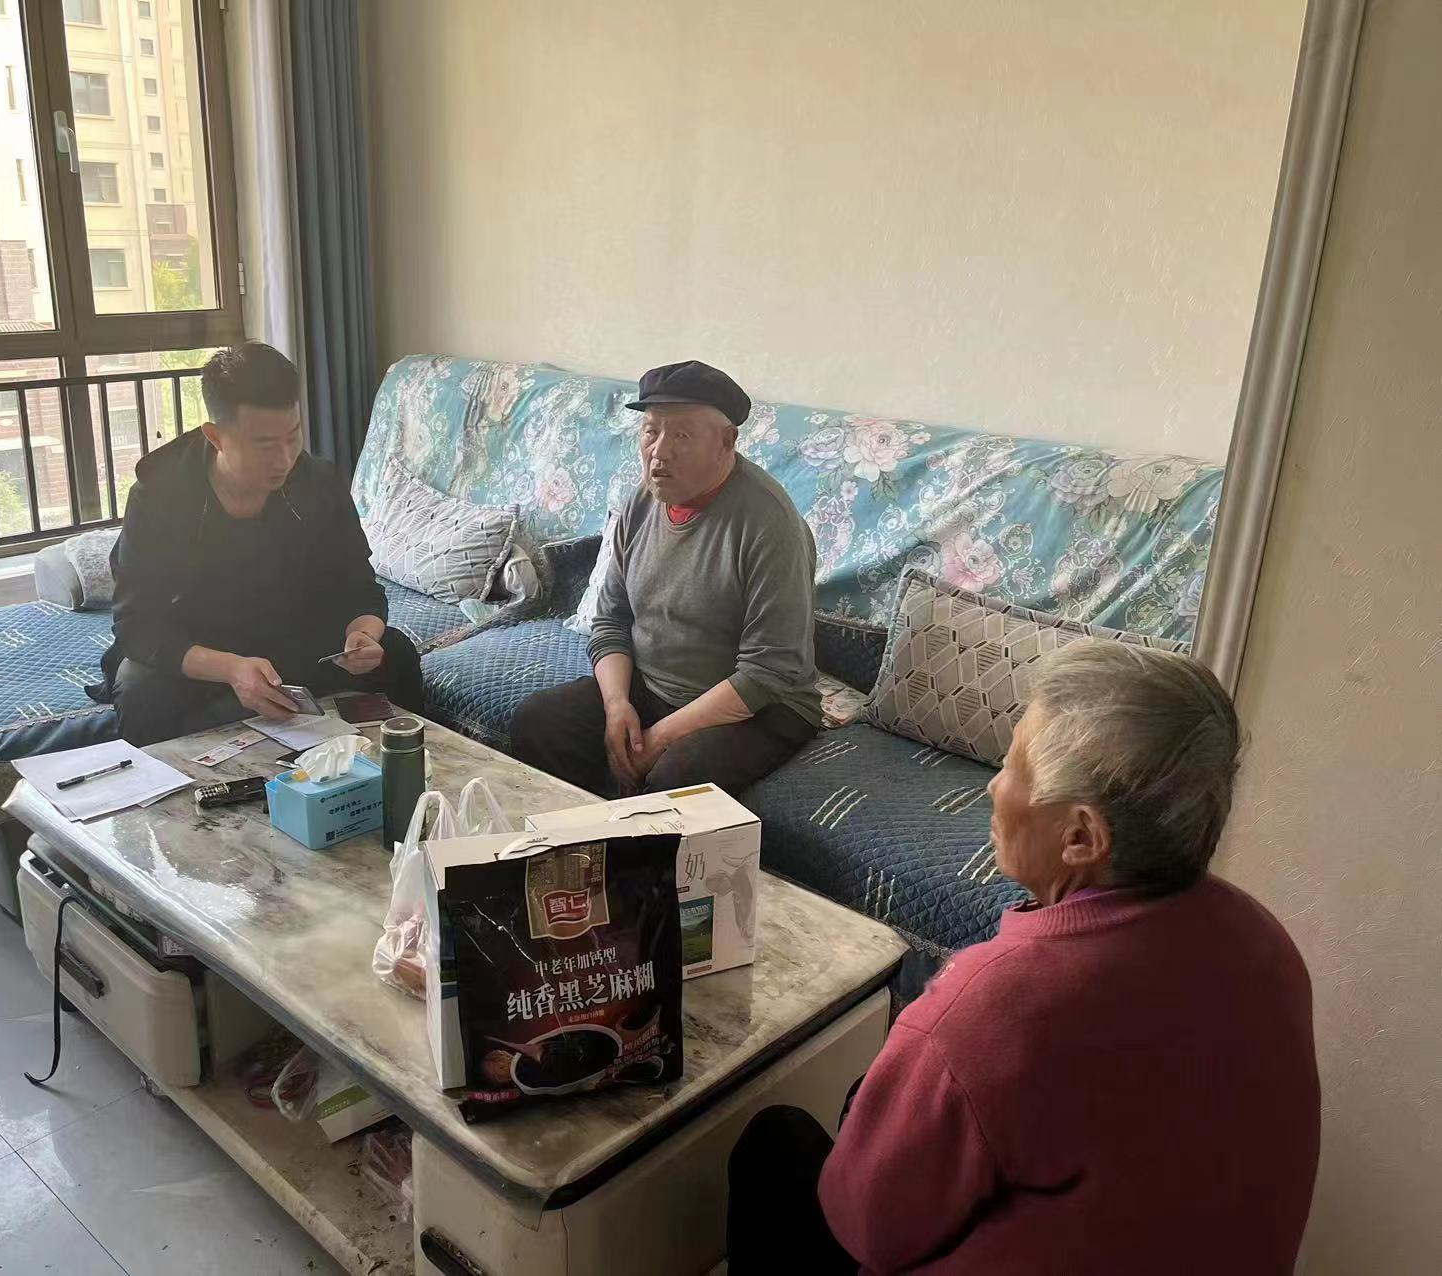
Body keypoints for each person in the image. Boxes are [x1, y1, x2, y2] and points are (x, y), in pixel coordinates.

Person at [726, 640, 1320, 1275]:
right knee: (874, 1106)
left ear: (1081, 837)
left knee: (777, 1144)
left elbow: (864, 1225)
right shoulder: (1265, 943)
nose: (992, 786)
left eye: (1013, 766)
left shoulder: (991, 1006)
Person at [510, 359, 819, 797]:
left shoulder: (770, 524)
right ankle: (582, 836)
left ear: (726, 442)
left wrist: (658, 738)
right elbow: (611, 620)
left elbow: (767, 672)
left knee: (672, 780)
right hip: (651, 686)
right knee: (539, 723)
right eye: (651, 431)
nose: (659, 452)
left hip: (757, 708)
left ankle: (622, 840)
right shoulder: (642, 502)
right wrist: (617, 706)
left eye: (682, 436)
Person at [89, 341, 423, 745]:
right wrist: (232, 669)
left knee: (395, 653)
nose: (284, 459)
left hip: (292, 637)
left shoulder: (318, 483)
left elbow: (359, 586)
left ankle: (409, 769)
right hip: (201, 650)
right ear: (216, 437)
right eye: (264, 445)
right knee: (140, 690)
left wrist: (363, 633)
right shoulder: (160, 495)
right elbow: (136, 625)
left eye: (293, 436)